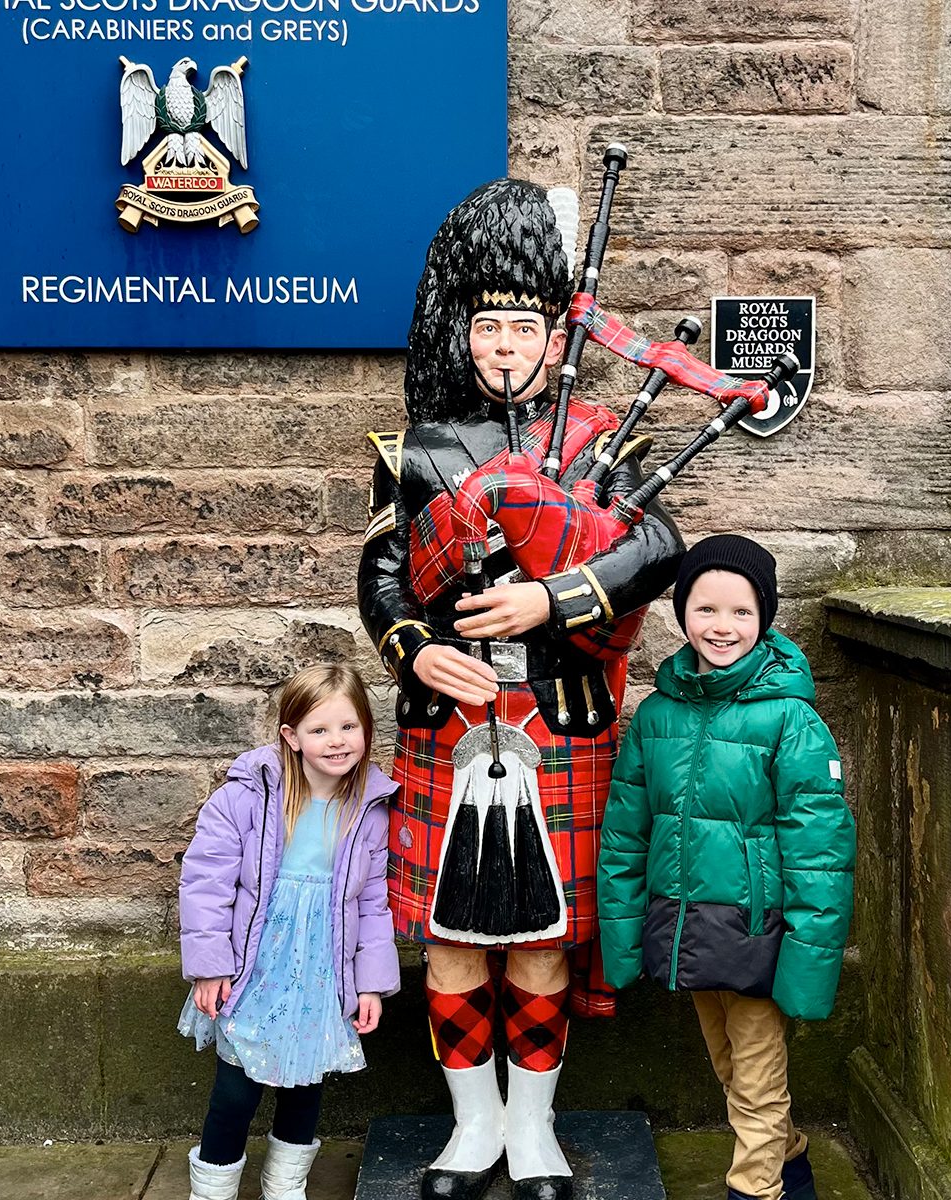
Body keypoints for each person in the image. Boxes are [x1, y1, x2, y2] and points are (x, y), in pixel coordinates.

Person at [358, 178, 684, 1200]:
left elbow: (659, 546)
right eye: (485, 323)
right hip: (446, 722)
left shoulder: (600, 438)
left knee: (540, 939)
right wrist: (412, 647)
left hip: (557, 719)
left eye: (524, 326)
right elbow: (377, 575)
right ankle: (471, 1130)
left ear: (556, 337)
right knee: (455, 941)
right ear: (460, 334)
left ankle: (533, 1132)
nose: (503, 344)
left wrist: (554, 602)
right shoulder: (413, 451)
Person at [598, 535, 856, 1200]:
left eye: (741, 612)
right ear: (682, 614)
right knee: (731, 1072)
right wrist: (623, 941)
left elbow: (820, 853)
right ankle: (791, 1156)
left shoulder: (791, 720)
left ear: (764, 618)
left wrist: (808, 958)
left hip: (759, 932)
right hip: (686, 926)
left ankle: (757, 1187)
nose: (722, 626)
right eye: (706, 609)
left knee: (758, 1082)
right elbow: (627, 833)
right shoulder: (656, 715)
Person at [177, 663, 399, 1200]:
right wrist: (211, 967)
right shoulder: (246, 798)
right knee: (237, 1089)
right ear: (291, 737)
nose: (336, 741)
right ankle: (213, 1188)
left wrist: (370, 982)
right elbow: (206, 881)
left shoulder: (369, 808)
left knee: (305, 1084)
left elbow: (372, 903)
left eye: (348, 726)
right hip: (256, 963)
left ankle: (285, 1184)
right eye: (319, 729)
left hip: (324, 966)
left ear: (367, 729)